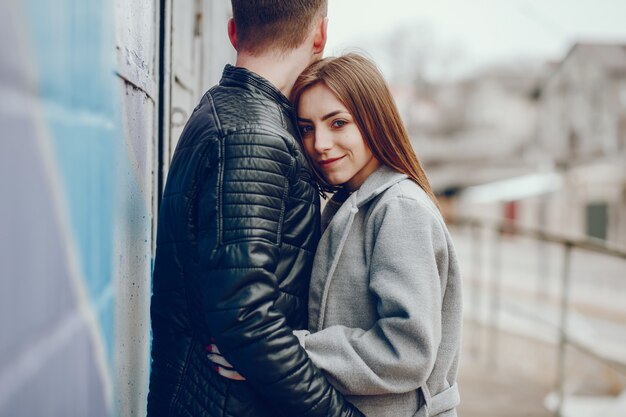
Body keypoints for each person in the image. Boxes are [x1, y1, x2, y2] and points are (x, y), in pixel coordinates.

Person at [211, 53, 463, 416]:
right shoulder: (349, 202)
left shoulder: (399, 209)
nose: (320, 144)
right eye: (307, 128)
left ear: (375, 120)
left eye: (338, 123)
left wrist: (276, 355)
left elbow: (407, 351)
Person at [146, 1, 364, 416]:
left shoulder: (227, 112)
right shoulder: (254, 136)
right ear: (319, 35)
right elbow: (246, 319)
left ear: (233, 32)